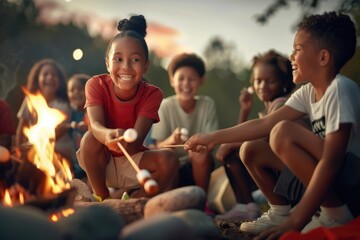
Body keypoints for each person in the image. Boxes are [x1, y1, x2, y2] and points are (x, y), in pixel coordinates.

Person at [184, 11, 359, 239]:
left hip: (352, 180)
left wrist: (299, 220)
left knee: (283, 132)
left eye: (298, 49)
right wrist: (211, 138)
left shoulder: (340, 89)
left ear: (323, 57)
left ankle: (334, 212)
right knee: (251, 148)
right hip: (331, 177)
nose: (291, 56)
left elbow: (332, 161)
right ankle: (280, 213)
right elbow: (264, 123)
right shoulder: (307, 93)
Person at [77, 15, 179, 202]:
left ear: (146, 66)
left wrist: (124, 140)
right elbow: (96, 125)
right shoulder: (95, 84)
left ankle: (134, 202)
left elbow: (135, 140)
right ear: (107, 63)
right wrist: (107, 135)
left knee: (171, 160)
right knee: (90, 138)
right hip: (101, 161)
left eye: (135, 60)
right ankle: (102, 198)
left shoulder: (153, 94)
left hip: (133, 159)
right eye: (118, 59)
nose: (126, 67)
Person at [215, 49, 298, 221]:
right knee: (232, 152)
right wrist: (245, 110)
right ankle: (245, 206)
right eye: (258, 81)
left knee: (233, 150)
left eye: (270, 81)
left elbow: (265, 140)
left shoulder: (281, 104)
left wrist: (229, 144)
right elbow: (242, 135)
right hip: (275, 168)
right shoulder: (269, 107)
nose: (263, 86)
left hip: (290, 171)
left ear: (283, 82)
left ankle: (249, 207)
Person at [151, 52, 219, 193]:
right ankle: (169, 203)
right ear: (172, 80)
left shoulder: (207, 104)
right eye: (181, 78)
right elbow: (157, 146)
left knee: (199, 154)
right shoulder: (164, 106)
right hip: (171, 169)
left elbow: (211, 142)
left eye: (192, 79)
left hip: (199, 167)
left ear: (201, 80)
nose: (186, 84)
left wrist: (197, 149)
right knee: (167, 153)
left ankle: (202, 202)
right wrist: (173, 139)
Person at [15, 58, 76, 165]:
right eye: (45, 74)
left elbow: (57, 134)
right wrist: (19, 150)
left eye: (54, 75)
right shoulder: (30, 100)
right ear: (37, 79)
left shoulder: (63, 105)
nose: (50, 77)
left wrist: (33, 145)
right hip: (33, 150)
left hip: (60, 151)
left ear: (60, 81)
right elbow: (21, 128)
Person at [66, 73, 90, 179]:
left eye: (80, 89)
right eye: (72, 90)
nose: (76, 92)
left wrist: (88, 128)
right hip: (78, 165)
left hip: (93, 162)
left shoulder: (91, 112)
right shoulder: (71, 113)